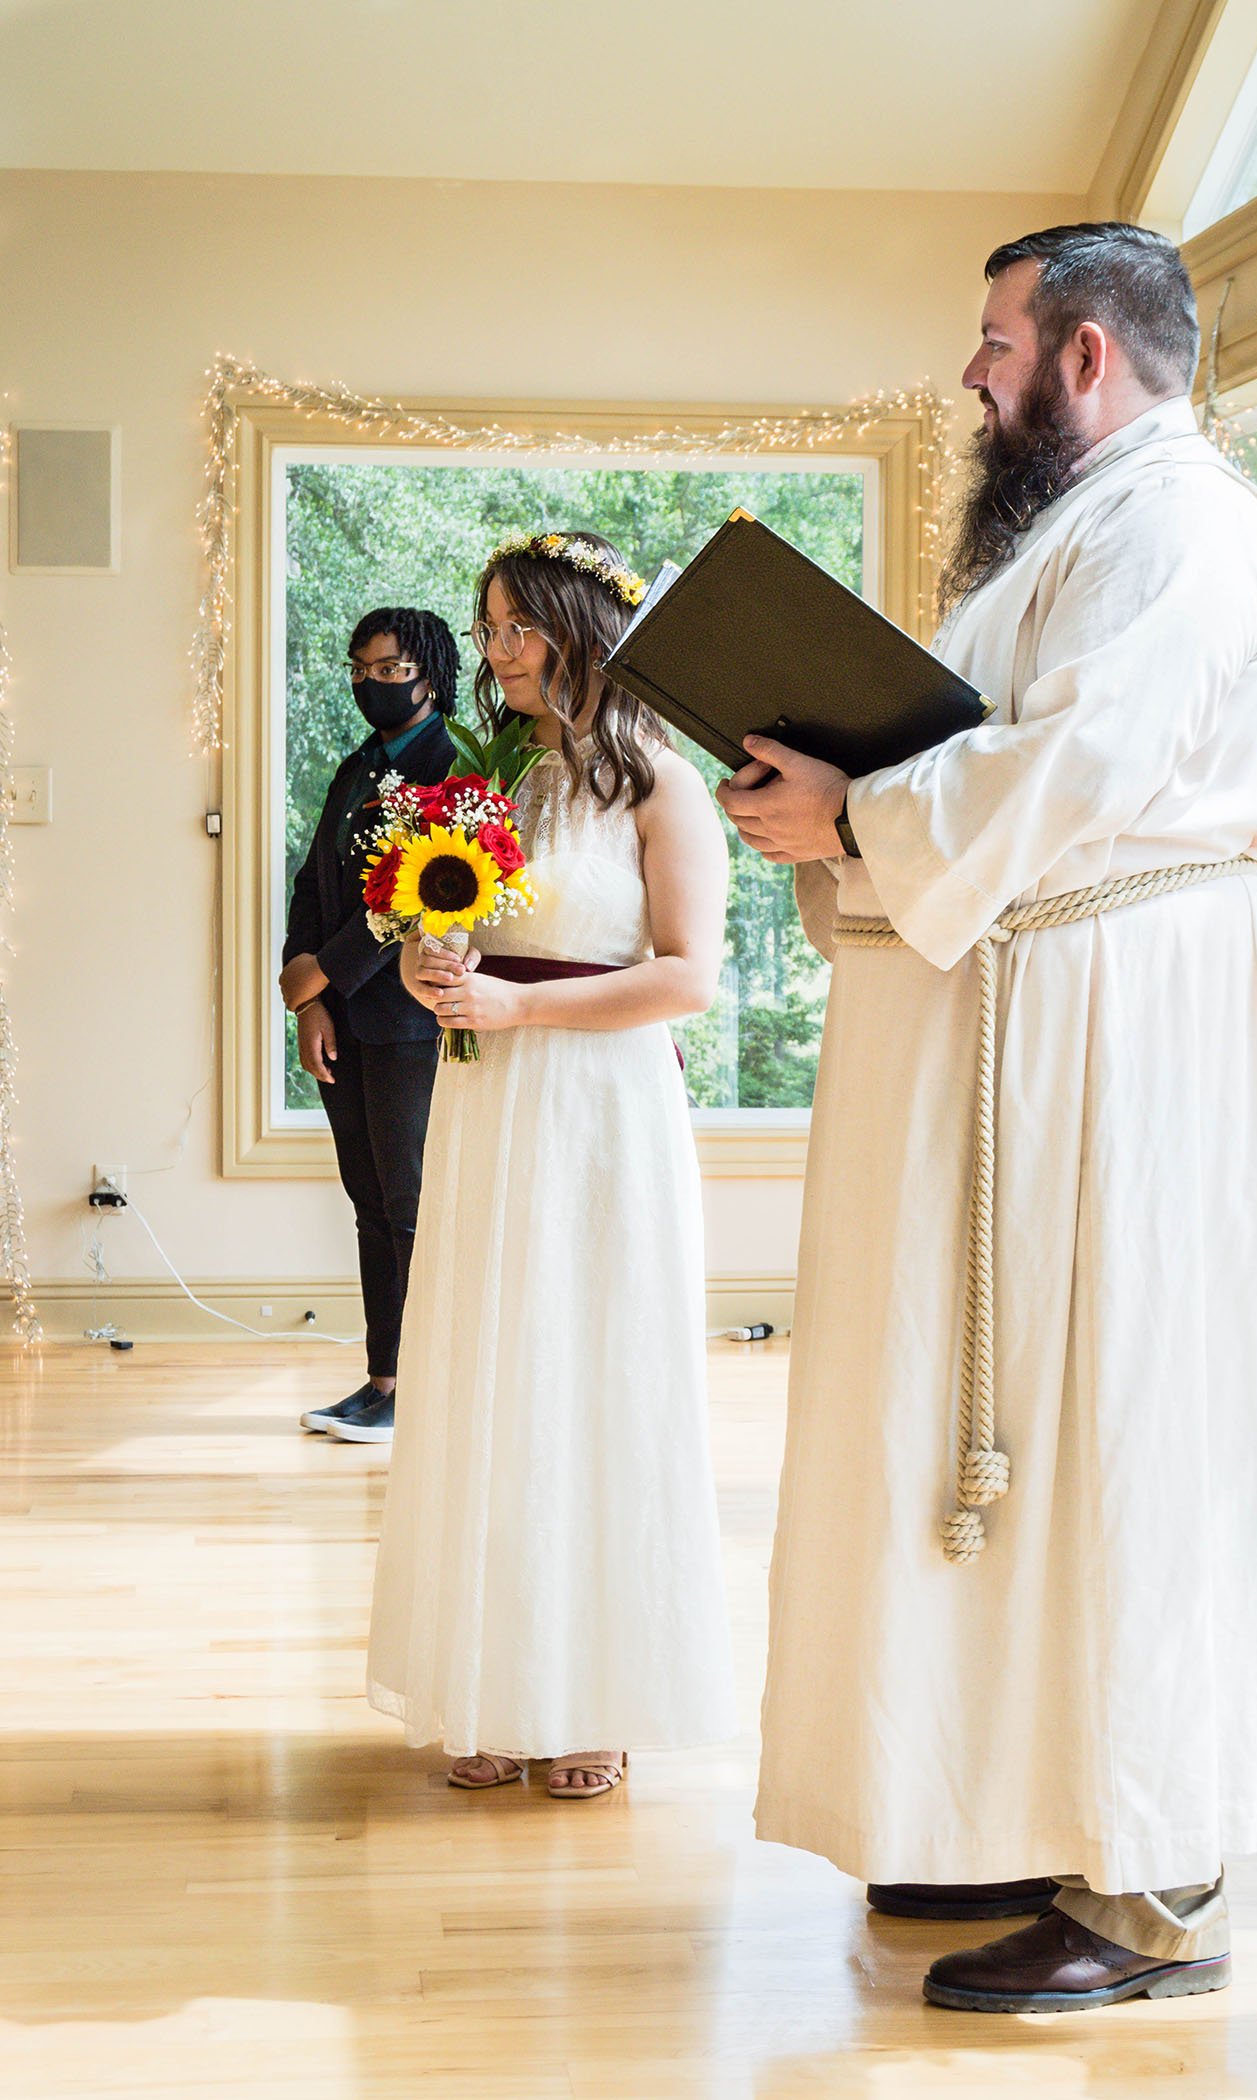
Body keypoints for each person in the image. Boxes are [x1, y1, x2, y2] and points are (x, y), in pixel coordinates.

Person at [718, 223, 1257, 2011]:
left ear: (1082, 356)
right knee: (1005, 1423)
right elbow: (992, 740)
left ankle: (1153, 1884)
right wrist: (840, 796)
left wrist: (854, 813)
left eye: (995, 342)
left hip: (1112, 1031)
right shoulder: (1085, 525)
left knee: (1111, 1414)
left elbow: (1076, 765)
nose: (973, 373)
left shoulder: (1186, 528)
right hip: (1030, 1010)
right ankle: (1004, 1805)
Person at [366, 530, 736, 1800]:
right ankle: (490, 1678)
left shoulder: (660, 788)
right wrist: (427, 962)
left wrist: (523, 1014)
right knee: (489, 1373)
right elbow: (444, 915)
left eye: (517, 626)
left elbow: (691, 976)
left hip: (600, 1107)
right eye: (489, 629)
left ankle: (598, 1696)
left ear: (584, 625)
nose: (497, 652)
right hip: (488, 1106)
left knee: (593, 1375)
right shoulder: (489, 783)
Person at [281, 608, 459, 1445]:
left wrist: (330, 969)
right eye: (360, 669)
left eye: (388, 670)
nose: (371, 684)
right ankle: (383, 1375)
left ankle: (425, 1383)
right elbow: (312, 881)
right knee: (367, 1201)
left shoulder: (454, 763)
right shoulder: (355, 766)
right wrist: (307, 990)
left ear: (429, 671)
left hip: (413, 1019)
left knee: (410, 1201)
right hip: (343, 1019)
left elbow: (423, 891)